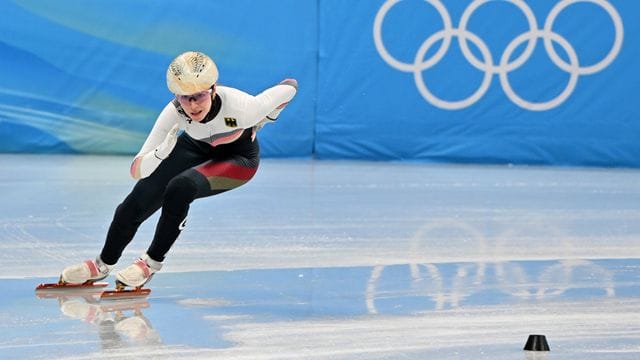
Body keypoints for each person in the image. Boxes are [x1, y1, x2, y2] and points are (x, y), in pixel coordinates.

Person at [60, 51, 297, 289]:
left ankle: (150, 263)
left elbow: (289, 88)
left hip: (238, 158)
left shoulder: (244, 106)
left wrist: (265, 119)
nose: (193, 105)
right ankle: (103, 263)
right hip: (194, 147)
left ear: (213, 89)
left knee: (181, 187)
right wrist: (160, 153)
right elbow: (137, 170)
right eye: (185, 98)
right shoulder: (173, 113)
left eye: (199, 96)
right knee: (137, 199)